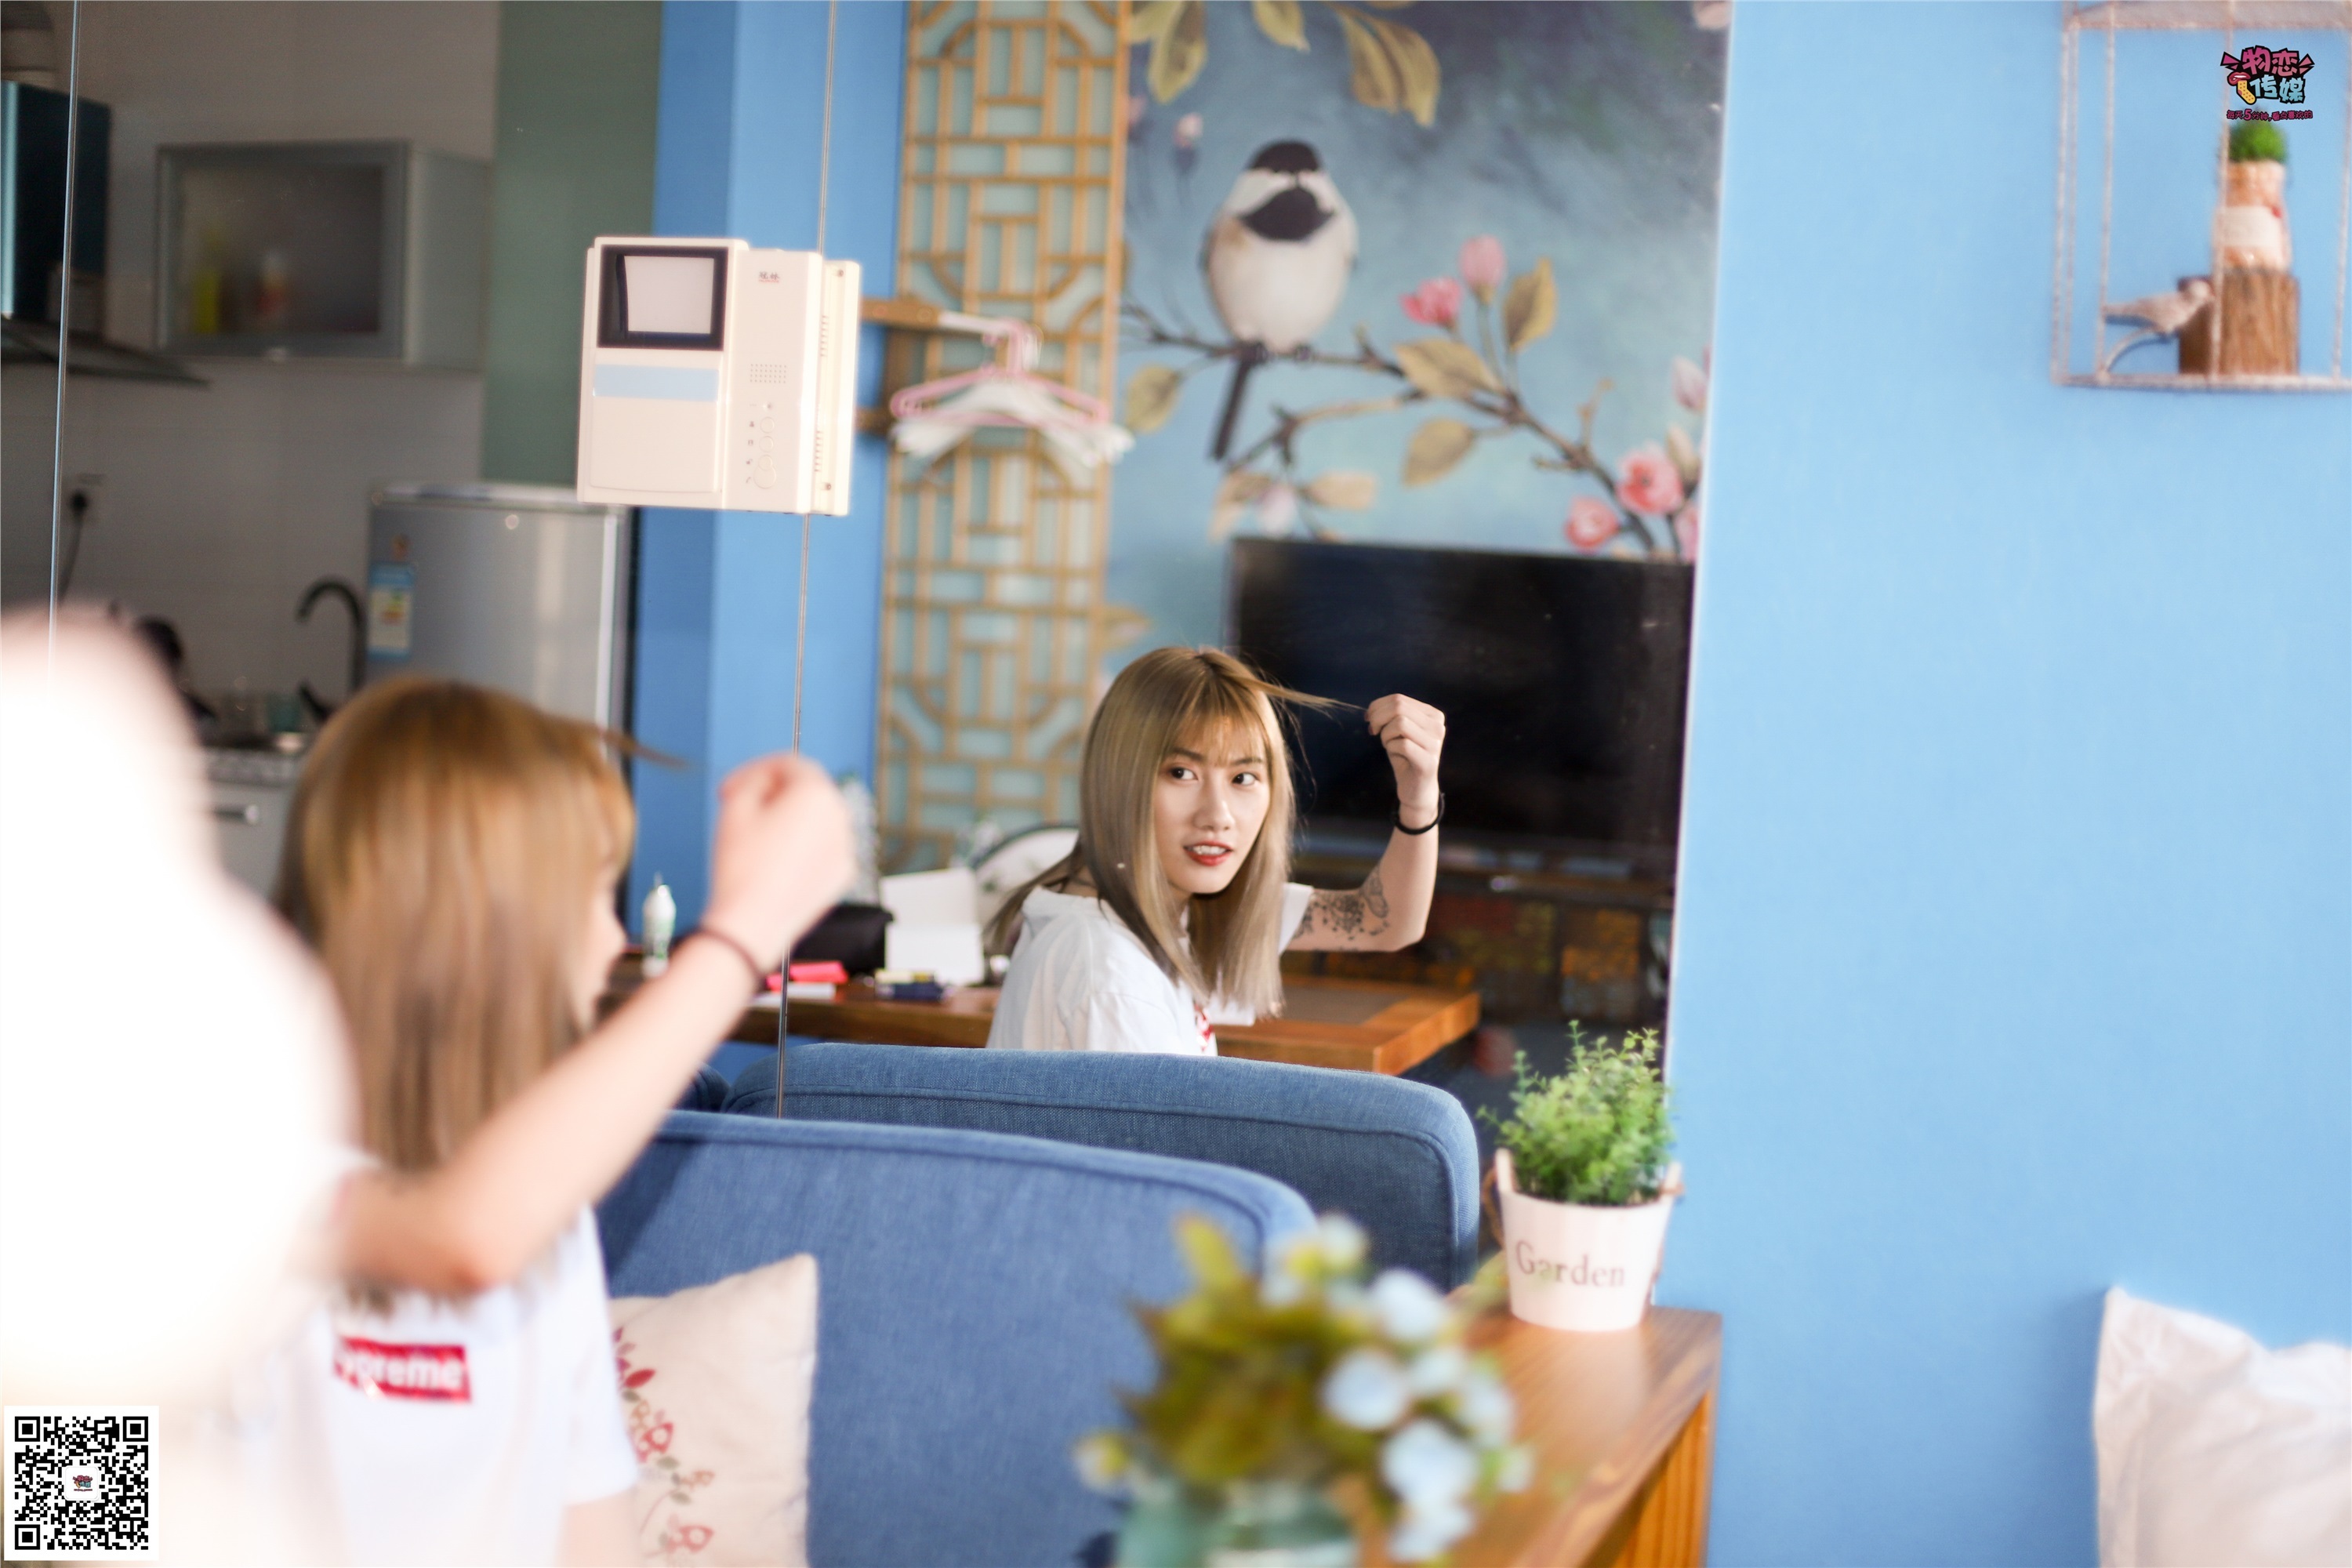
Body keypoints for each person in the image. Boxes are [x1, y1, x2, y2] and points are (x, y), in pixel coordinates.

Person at [245, 677, 849, 1566]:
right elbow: (62, 1519)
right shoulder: (226, 1163)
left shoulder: (549, 1221)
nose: (614, 940)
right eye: (595, 893)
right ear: (486, 921)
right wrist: (742, 936)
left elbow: (590, 1533)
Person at [983, 646, 1444, 1056]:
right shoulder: (1113, 978)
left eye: (1243, 778)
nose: (1218, 814)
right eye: (1182, 773)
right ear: (1118, 779)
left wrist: (1419, 799)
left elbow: (1380, 922)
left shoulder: (1170, 905)